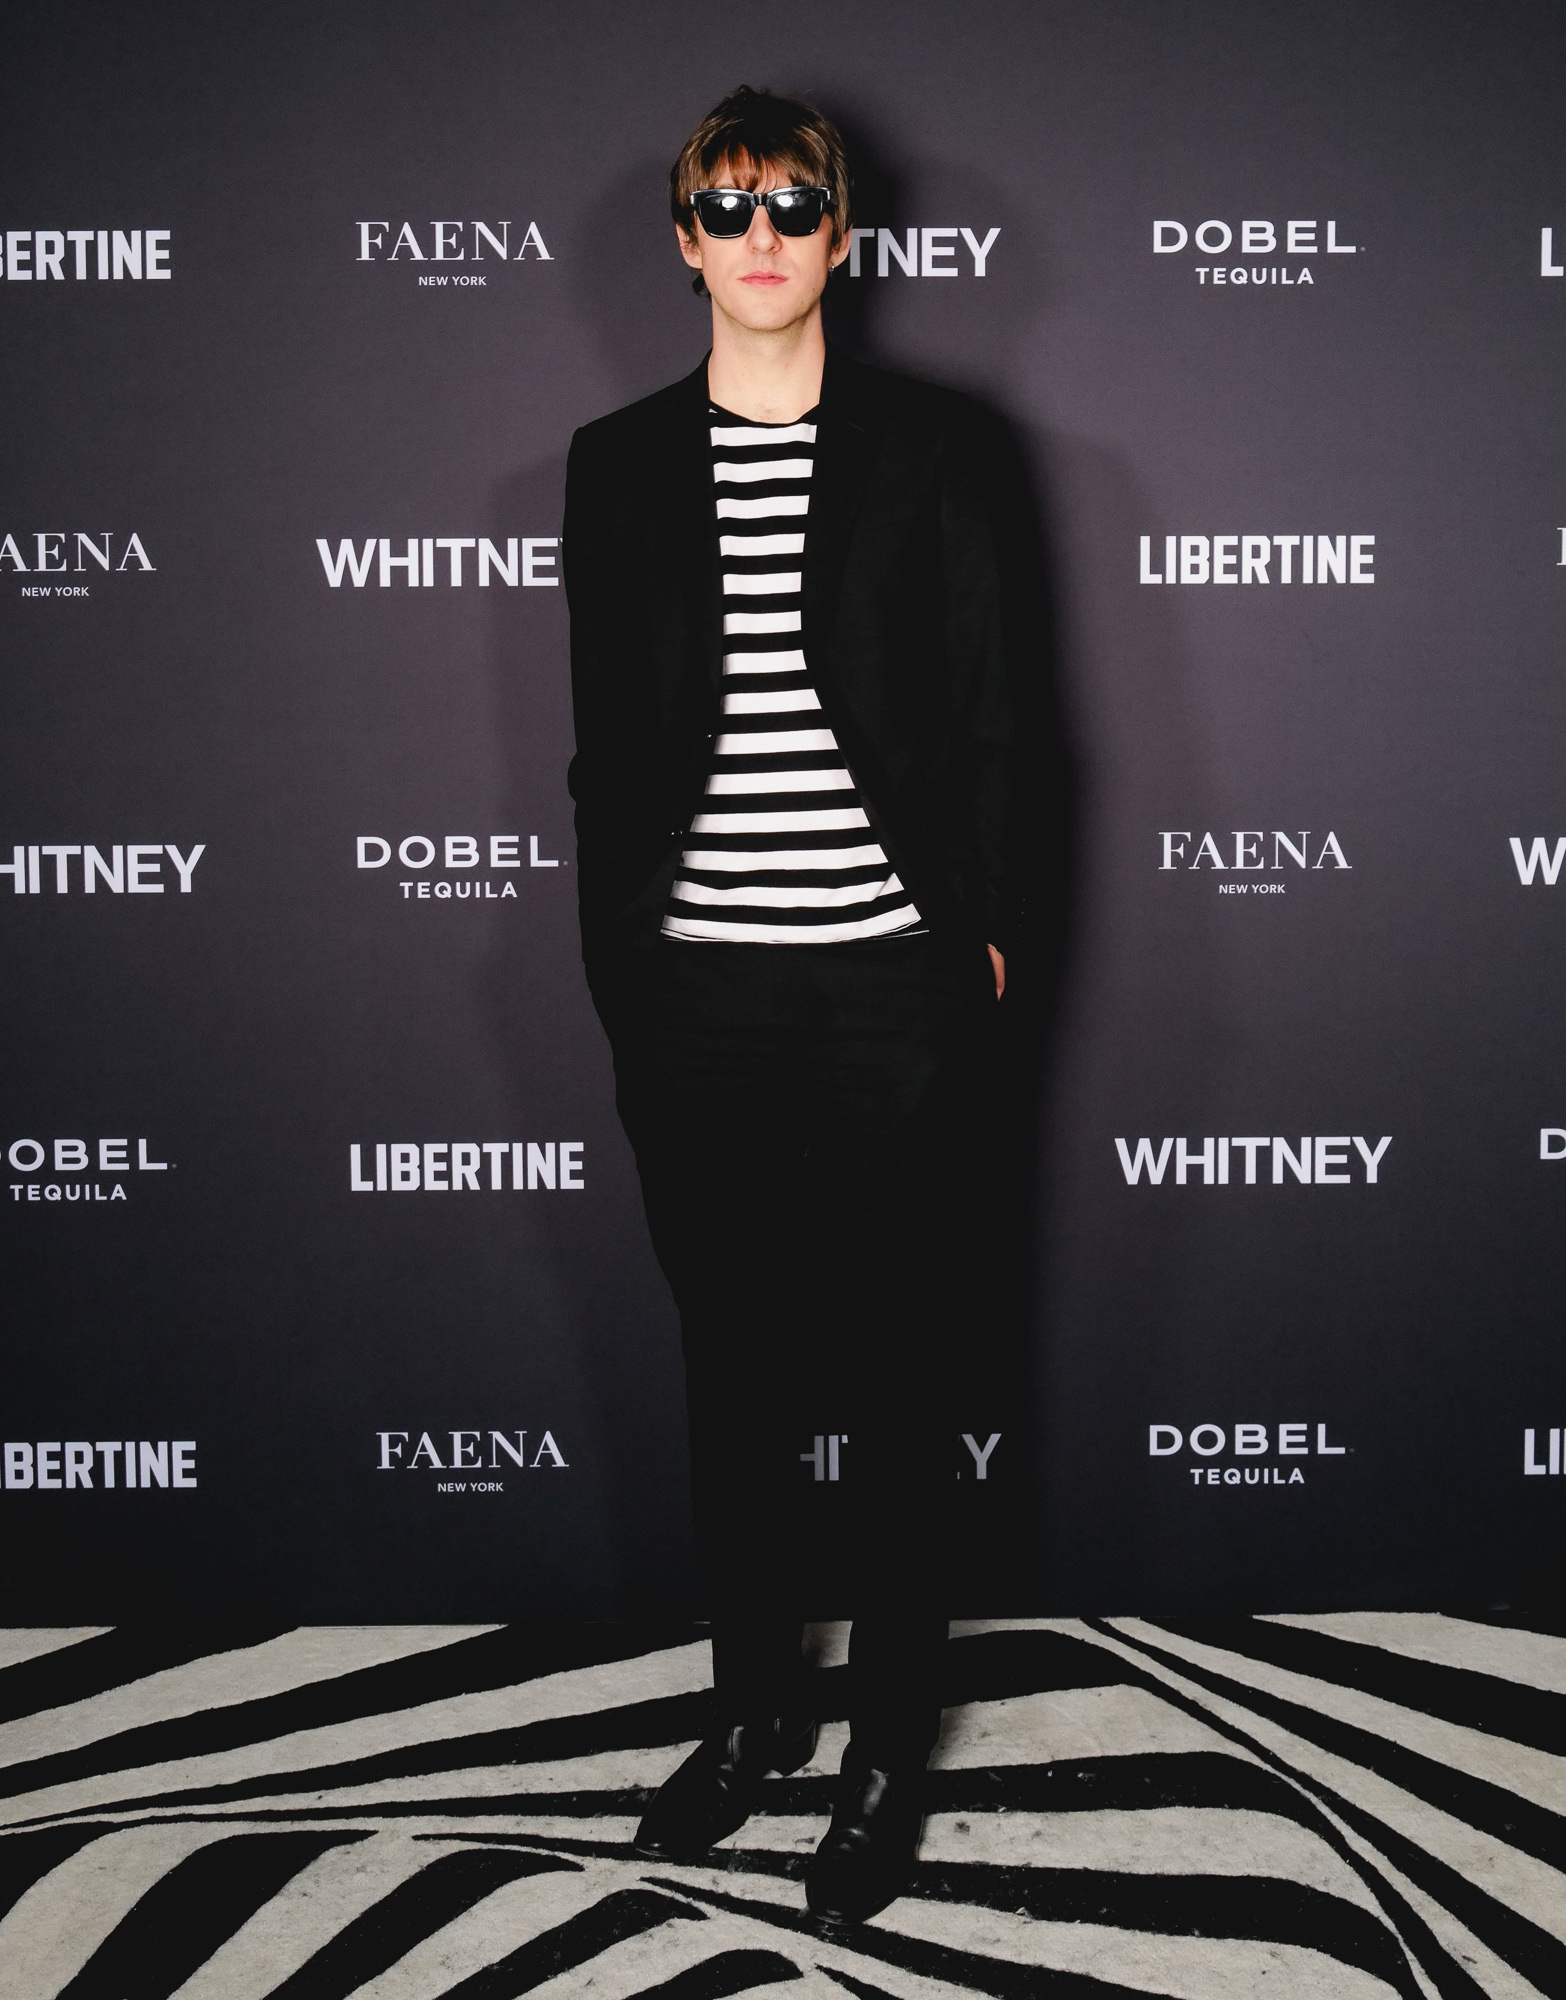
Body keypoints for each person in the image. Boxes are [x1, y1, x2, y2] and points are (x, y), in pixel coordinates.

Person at [562, 84, 1033, 1925]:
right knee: (733, 1377)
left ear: (842, 233)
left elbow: (996, 715)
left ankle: (884, 1752)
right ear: (683, 241)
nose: (761, 235)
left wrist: (975, 942)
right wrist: (624, 964)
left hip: (886, 995)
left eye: (794, 203)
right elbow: (609, 751)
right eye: (728, 206)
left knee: (906, 1389)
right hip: (692, 1001)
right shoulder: (613, 465)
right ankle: (753, 1712)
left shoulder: (938, 452)